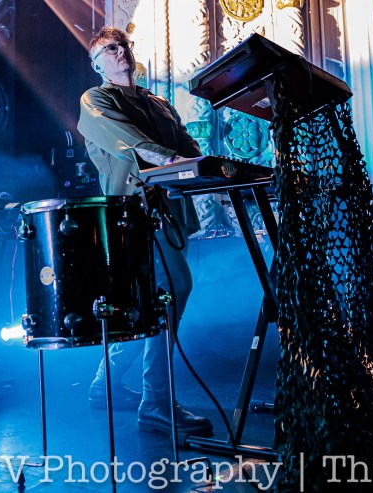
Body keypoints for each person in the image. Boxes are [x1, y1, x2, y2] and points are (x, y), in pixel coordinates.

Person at [76, 27, 212, 437]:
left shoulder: (159, 104)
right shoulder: (95, 99)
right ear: (96, 64)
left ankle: (105, 384)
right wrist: (173, 161)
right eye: (109, 49)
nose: (120, 52)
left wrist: (209, 167)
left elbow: (188, 147)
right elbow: (130, 142)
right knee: (175, 288)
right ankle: (155, 401)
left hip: (167, 212)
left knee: (148, 303)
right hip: (132, 213)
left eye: (123, 46)